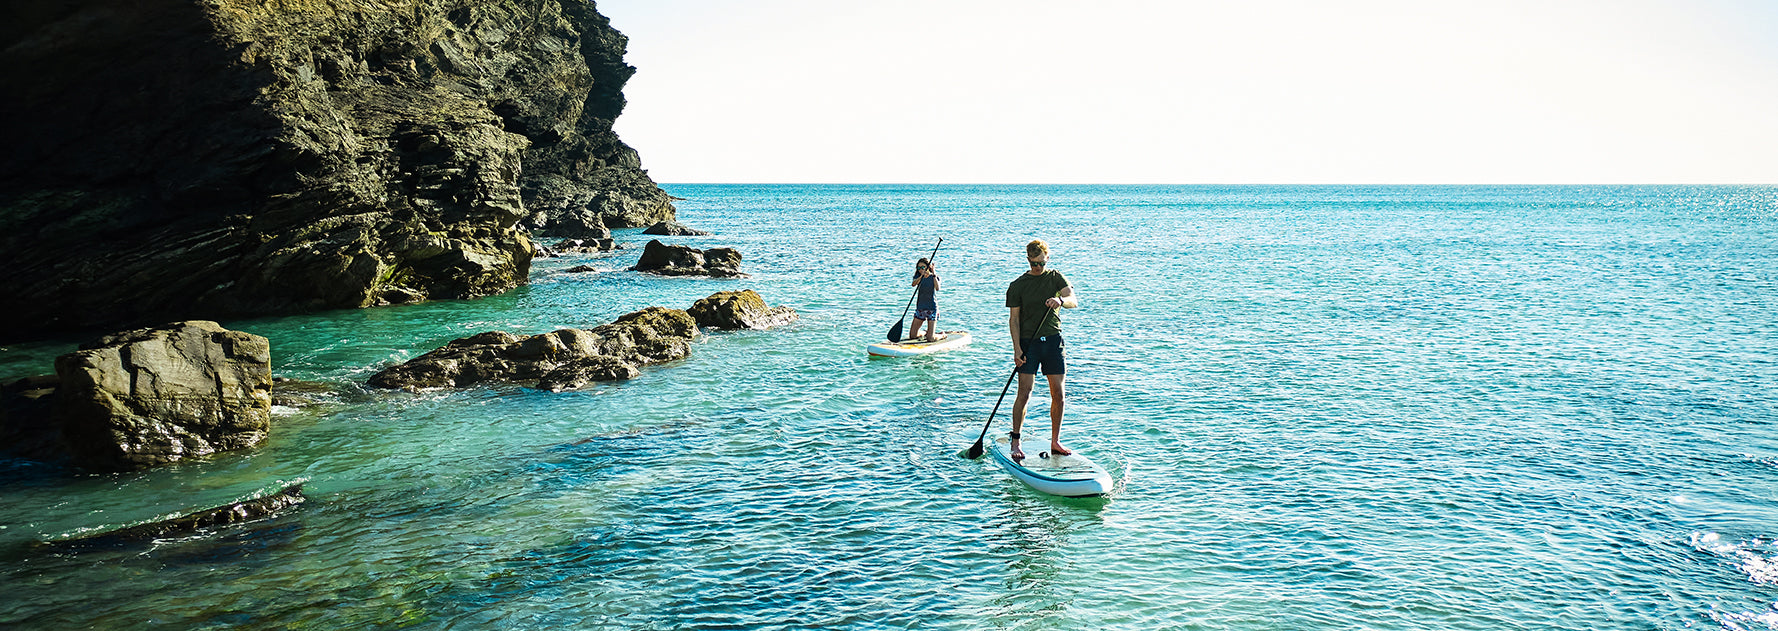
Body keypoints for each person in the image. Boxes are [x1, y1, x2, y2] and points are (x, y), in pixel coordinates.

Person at [1006, 239, 1077, 461]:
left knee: (1059, 393)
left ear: (1047, 258)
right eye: (1034, 263)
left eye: (1041, 263)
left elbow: (1073, 300)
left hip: (1053, 341)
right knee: (1024, 393)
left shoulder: (1056, 277)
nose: (1038, 268)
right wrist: (1017, 350)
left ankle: (1055, 441)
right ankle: (1015, 441)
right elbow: (1014, 320)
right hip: (1029, 343)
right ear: (1028, 260)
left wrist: (1060, 300)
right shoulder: (1017, 285)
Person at [909, 257, 940, 342]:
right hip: (920, 307)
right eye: (919, 268)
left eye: (923, 267)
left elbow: (937, 288)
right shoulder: (918, 276)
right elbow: (913, 284)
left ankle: (940, 335)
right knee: (913, 336)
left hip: (932, 308)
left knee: (931, 339)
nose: (921, 269)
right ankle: (925, 332)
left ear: (927, 267)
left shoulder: (933, 277)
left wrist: (934, 273)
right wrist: (921, 276)